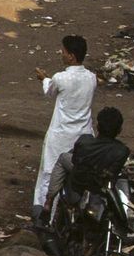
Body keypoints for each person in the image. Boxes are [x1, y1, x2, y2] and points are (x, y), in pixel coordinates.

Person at [35, 34, 99, 216]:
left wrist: (44, 78)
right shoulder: (91, 78)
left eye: (63, 51)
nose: (61, 54)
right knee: (80, 175)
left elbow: (49, 91)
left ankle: (46, 212)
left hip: (60, 135)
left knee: (49, 172)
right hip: (83, 135)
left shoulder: (60, 78)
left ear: (71, 56)